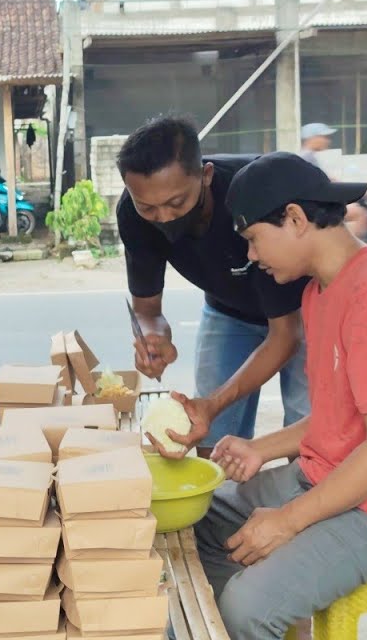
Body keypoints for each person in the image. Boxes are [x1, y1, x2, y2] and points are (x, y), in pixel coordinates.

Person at [195, 152, 367, 640]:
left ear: (295, 220)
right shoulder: (320, 291)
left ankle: (258, 615)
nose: (252, 257)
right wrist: (260, 448)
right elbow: (339, 418)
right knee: (203, 517)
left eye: (254, 240)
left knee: (246, 609)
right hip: (334, 476)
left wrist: (287, 523)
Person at [116, 116, 308, 459]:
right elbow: (147, 311)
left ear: (205, 176)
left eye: (176, 203)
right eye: (148, 207)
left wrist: (214, 402)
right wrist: (153, 337)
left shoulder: (252, 193)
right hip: (227, 311)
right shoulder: (133, 214)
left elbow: (286, 334)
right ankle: (225, 509)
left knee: (306, 435)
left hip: (302, 310)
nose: (163, 217)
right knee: (212, 440)